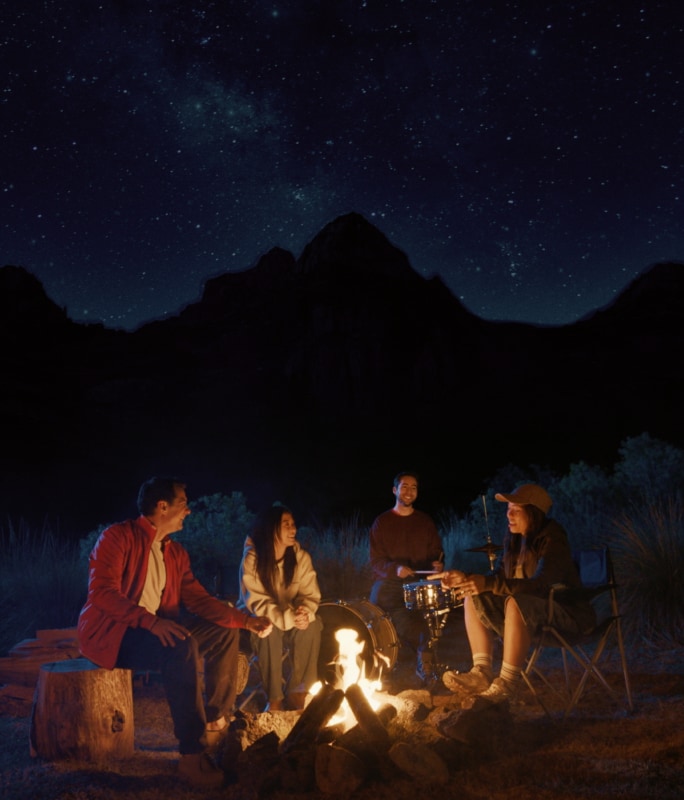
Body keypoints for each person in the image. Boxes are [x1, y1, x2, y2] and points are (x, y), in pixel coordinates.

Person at [77, 477, 272, 788]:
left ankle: (214, 723)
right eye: (183, 503)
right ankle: (191, 756)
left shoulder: (175, 552)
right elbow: (102, 593)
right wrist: (151, 622)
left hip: (155, 627)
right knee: (180, 646)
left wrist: (244, 620)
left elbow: (198, 599)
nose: (189, 511)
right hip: (115, 634)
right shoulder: (117, 537)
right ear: (162, 506)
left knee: (224, 631)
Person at [434, 483, 596, 709]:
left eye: (516, 510)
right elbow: (498, 578)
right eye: (508, 509)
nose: (508, 514)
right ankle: (480, 672)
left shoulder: (552, 538)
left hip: (567, 616)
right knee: (473, 594)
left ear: (534, 513)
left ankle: (507, 684)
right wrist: (466, 578)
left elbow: (540, 585)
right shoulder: (515, 541)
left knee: (515, 601)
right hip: (532, 618)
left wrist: (489, 583)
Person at [238, 504, 323, 711]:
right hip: (254, 619)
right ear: (270, 528)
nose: (293, 529)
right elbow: (257, 602)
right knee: (267, 628)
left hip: (290, 617)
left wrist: (304, 612)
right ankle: (274, 699)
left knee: (313, 624)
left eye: (293, 524)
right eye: (286, 525)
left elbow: (310, 594)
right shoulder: (253, 559)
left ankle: (298, 692)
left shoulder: (300, 558)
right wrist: (287, 618)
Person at [369, 471, 444, 682]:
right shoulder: (381, 522)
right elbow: (376, 562)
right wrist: (395, 569)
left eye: (414, 487)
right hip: (391, 582)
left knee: (430, 614)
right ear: (395, 490)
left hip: (419, 581)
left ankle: (426, 660)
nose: (409, 491)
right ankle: (386, 658)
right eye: (405, 486)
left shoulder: (425, 521)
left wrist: (438, 564)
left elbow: (436, 553)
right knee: (379, 600)